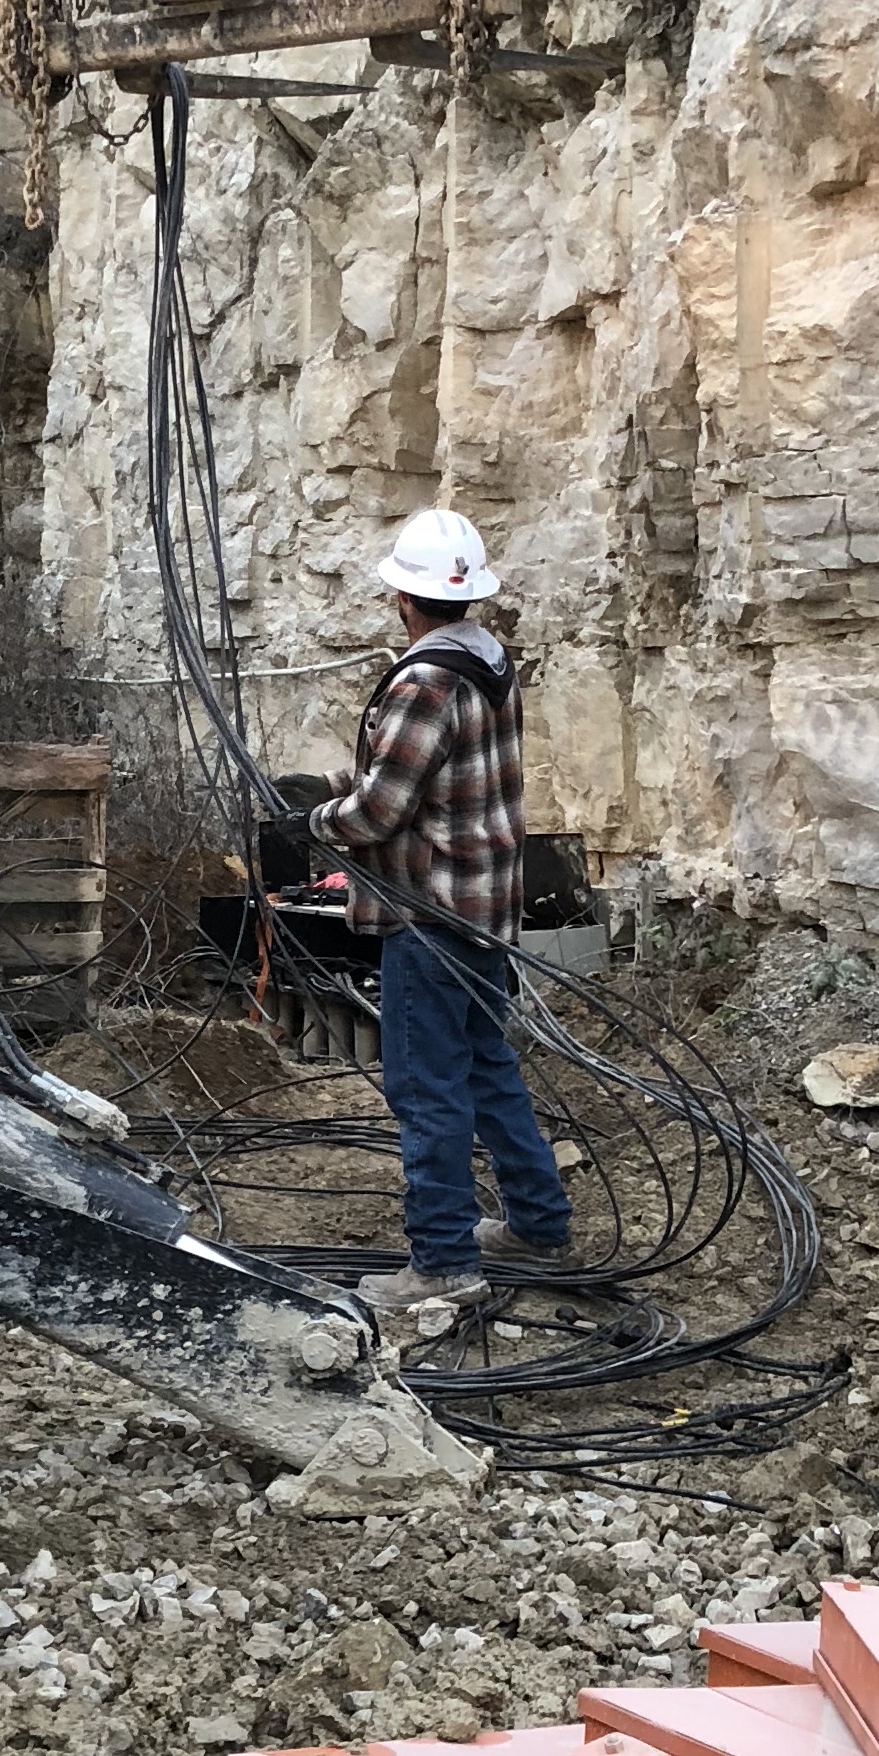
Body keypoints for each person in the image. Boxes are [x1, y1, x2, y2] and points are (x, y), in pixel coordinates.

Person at [306, 508, 570, 1319]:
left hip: (429, 914)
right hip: (486, 905)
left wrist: (316, 824)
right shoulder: (492, 660)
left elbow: (381, 810)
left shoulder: (426, 681)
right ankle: (537, 1223)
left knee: (427, 1087)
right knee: (487, 1065)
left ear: (402, 598)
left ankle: (445, 1261)